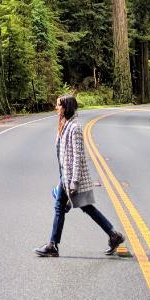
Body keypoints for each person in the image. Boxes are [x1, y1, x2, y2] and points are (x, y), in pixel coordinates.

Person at [35, 94, 125, 258]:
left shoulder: (74, 127)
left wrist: (74, 182)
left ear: (66, 107)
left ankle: (53, 245)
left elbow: (78, 156)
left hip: (71, 178)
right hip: (66, 175)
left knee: (61, 207)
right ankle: (113, 235)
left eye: (58, 105)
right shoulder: (65, 124)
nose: (56, 108)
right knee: (84, 207)